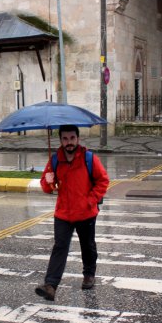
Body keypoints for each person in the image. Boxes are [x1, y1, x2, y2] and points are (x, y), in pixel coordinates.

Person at [35, 125, 110, 301]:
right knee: (60, 247)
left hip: (86, 212)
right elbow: (48, 188)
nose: (69, 142)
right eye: (65, 139)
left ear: (77, 139)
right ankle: (50, 286)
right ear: (60, 140)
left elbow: (103, 181)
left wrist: (90, 200)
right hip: (63, 213)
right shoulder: (55, 160)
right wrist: (48, 182)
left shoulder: (89, 158)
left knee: (87, 245)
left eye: (72, 138)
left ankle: (89, 274)